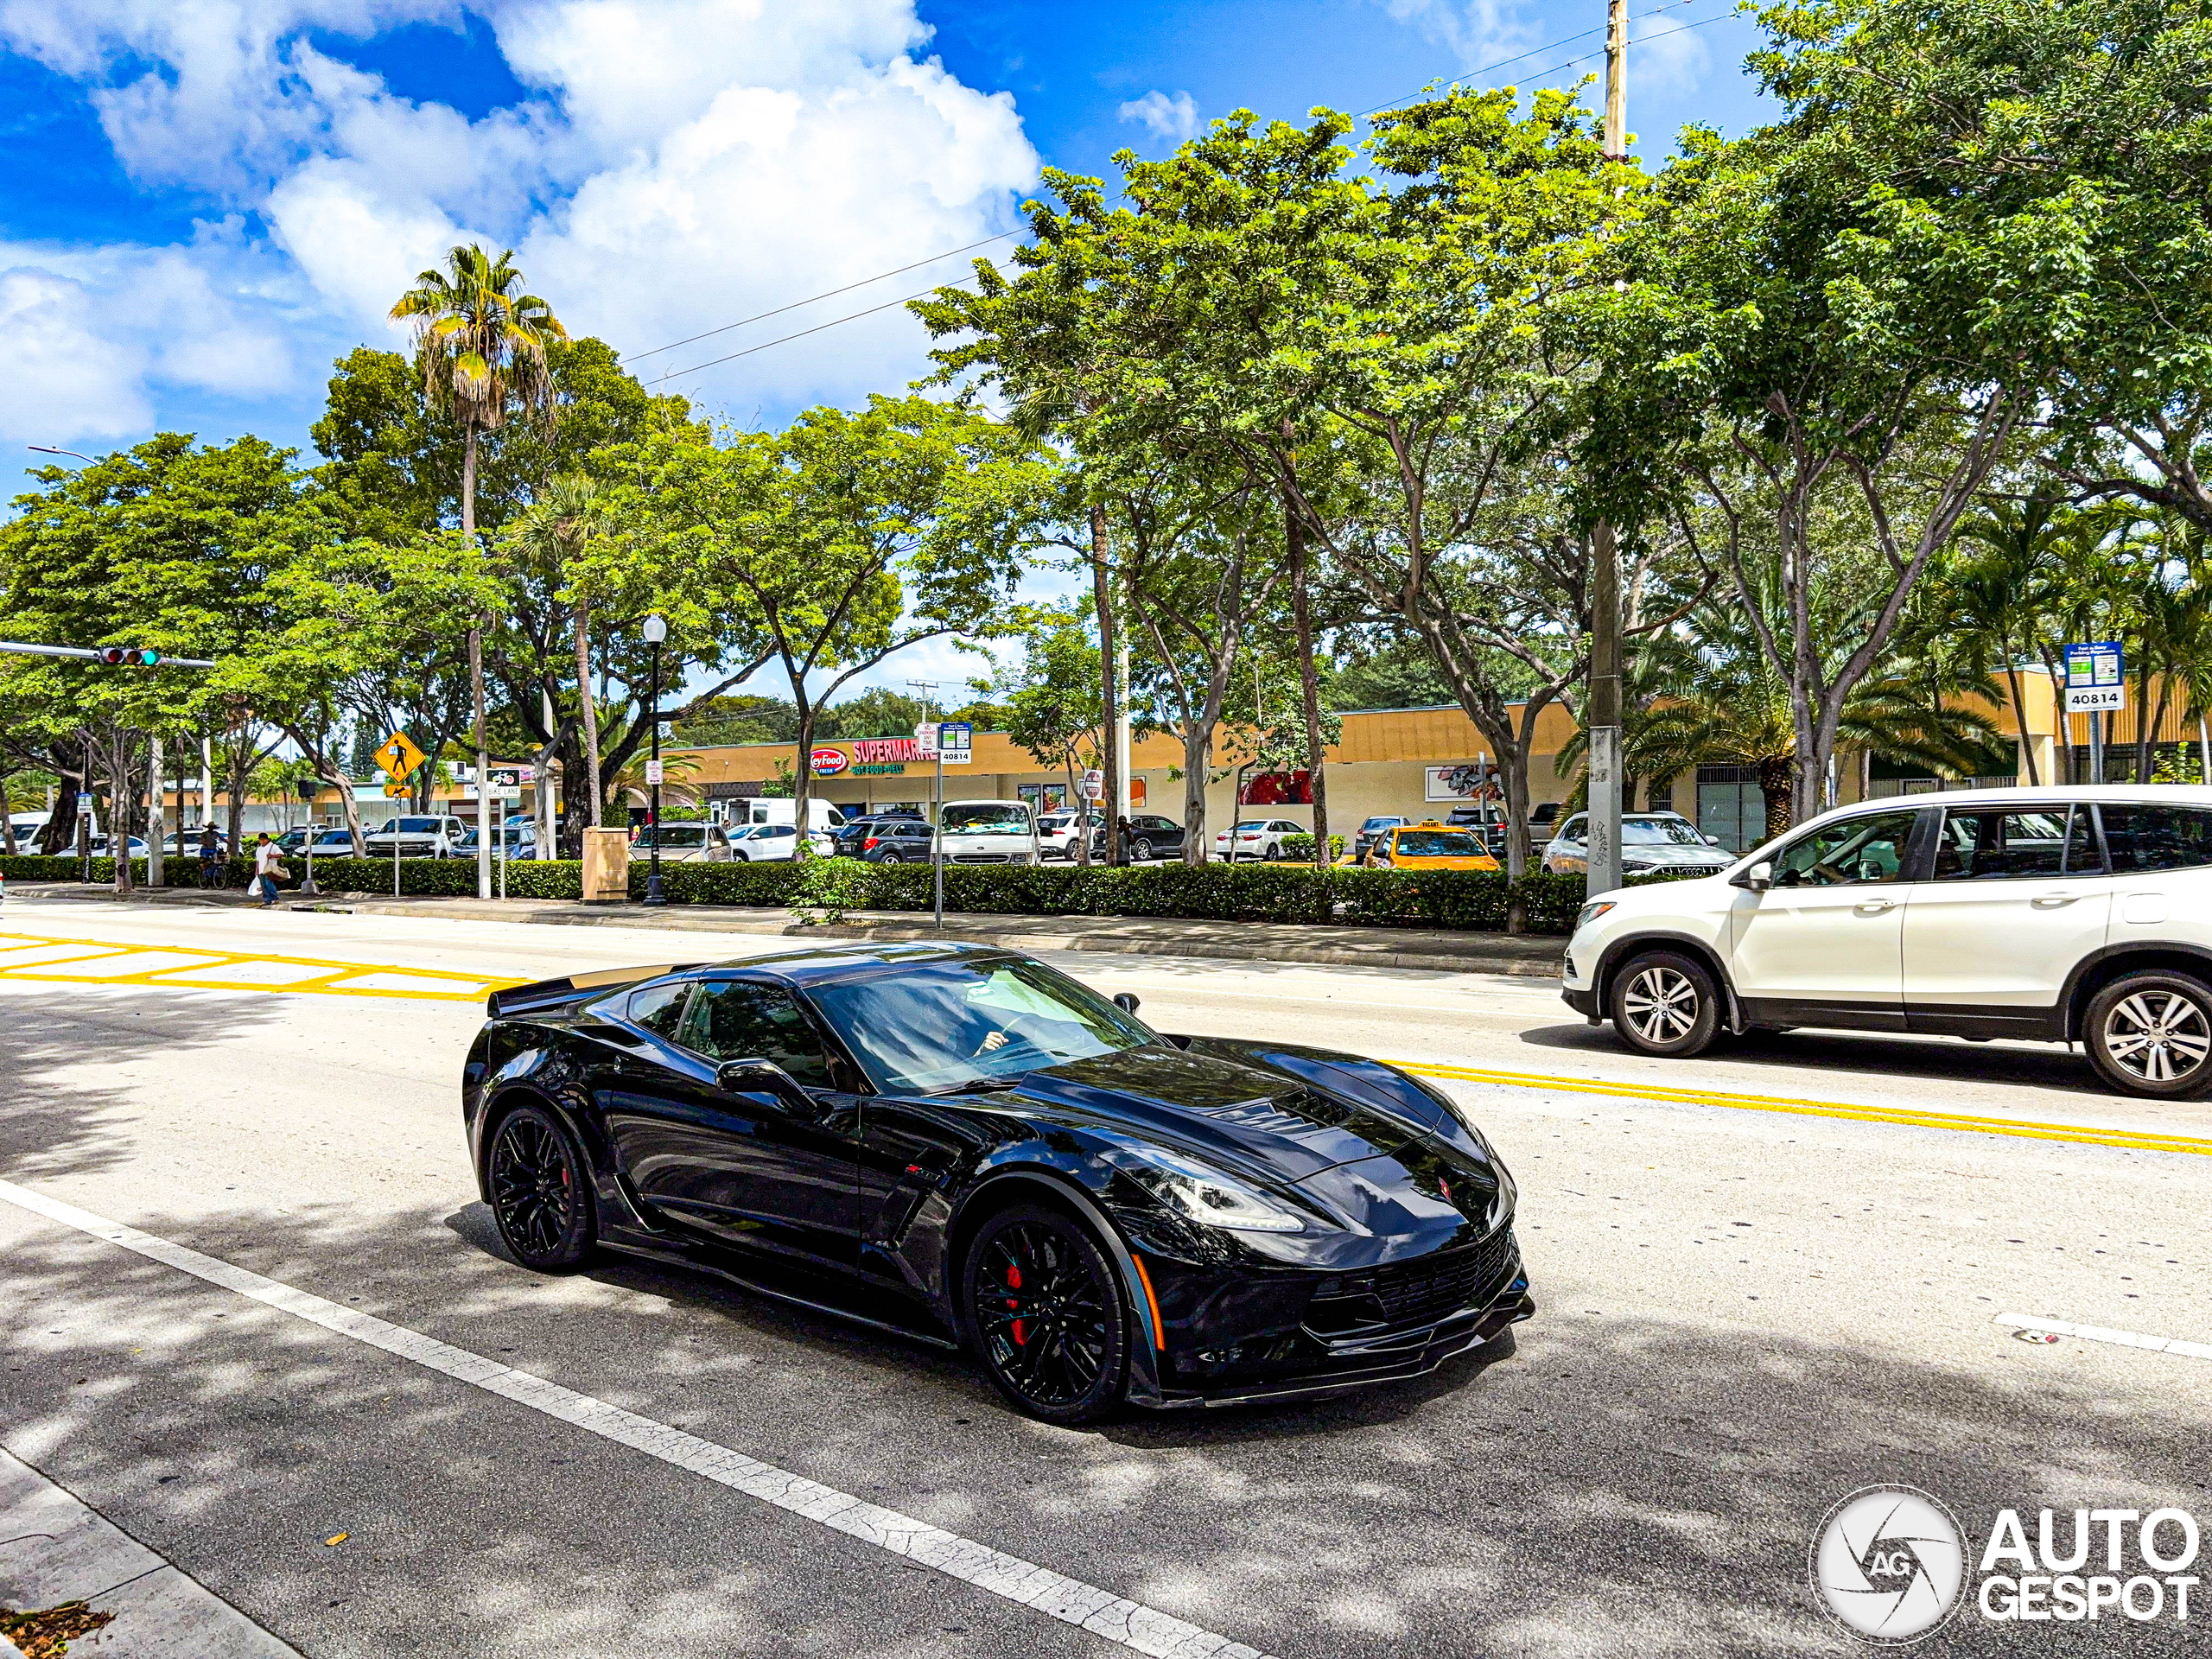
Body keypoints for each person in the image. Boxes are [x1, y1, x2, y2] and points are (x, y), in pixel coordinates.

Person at [251, 832, 287, 907]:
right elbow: (258, 861)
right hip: (261, 869)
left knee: (269, 884)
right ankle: (267, 900)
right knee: (263, 886)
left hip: (269, 869)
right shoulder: (259, 849)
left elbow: (282, 854)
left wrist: (272, 856)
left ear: (267, 839)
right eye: (261, 840)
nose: (263, 841)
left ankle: (275, 898)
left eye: (264, 839)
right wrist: (256, 870)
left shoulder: (273, 846)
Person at [198, 824, 223, 888]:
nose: (212, 829)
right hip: (205, 849)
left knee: (215, 861)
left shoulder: (216, 833)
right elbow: (201, 840)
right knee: (204, 861)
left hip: (213, 849)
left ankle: (214, 875)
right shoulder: (204, 834)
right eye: (211, 827)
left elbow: (222, 838)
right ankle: (205, 873)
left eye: (213, 828)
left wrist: (229, 842)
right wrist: (204, 842)